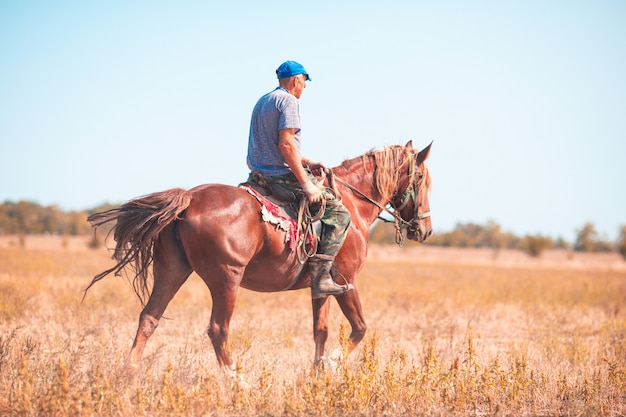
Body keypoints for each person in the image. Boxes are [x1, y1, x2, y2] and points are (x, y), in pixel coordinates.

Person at [246, 60, 353, 299]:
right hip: (280, 178)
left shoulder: (263, 101)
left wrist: (308, 162)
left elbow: (277, 146)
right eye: (304, 83)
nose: (304, 88)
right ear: (296, 80)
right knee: (339, 213)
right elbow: (285, 145)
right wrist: (306, 183)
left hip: (258, 176)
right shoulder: (289, 101)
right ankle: (323, 277)